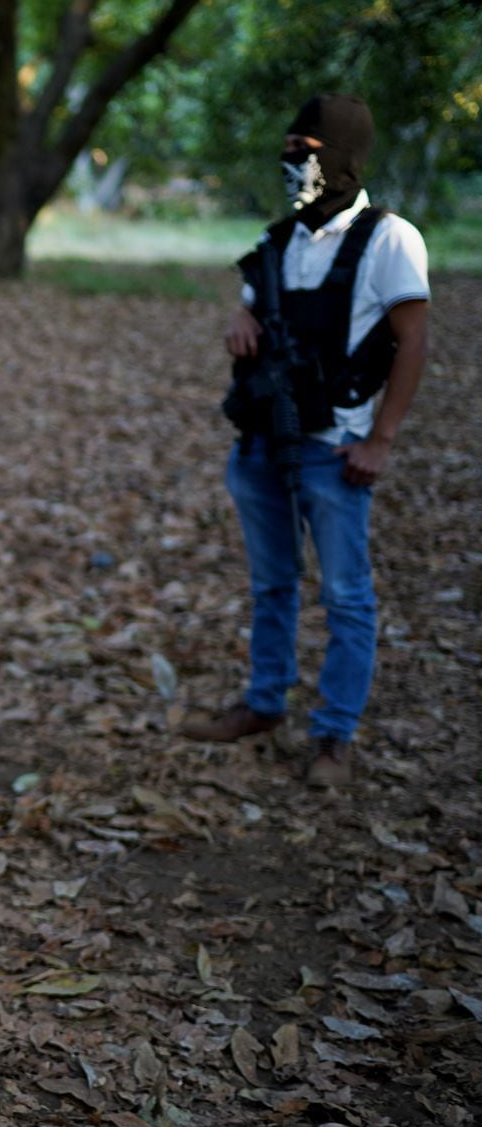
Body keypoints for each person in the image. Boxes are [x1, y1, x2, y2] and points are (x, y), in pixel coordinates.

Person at [181, 94, 429, 787]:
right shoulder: (280, 239)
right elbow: (256, 308)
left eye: (307, 150)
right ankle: (264, 703)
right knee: (272, 584)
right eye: (288, 148)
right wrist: (241, 318)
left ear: (344, 154)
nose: (292, 161)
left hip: (334, 449)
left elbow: (413, 342)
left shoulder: (389, 238)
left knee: (346, 596)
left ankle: (332, 737)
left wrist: (381, 439)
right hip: (261, 443)